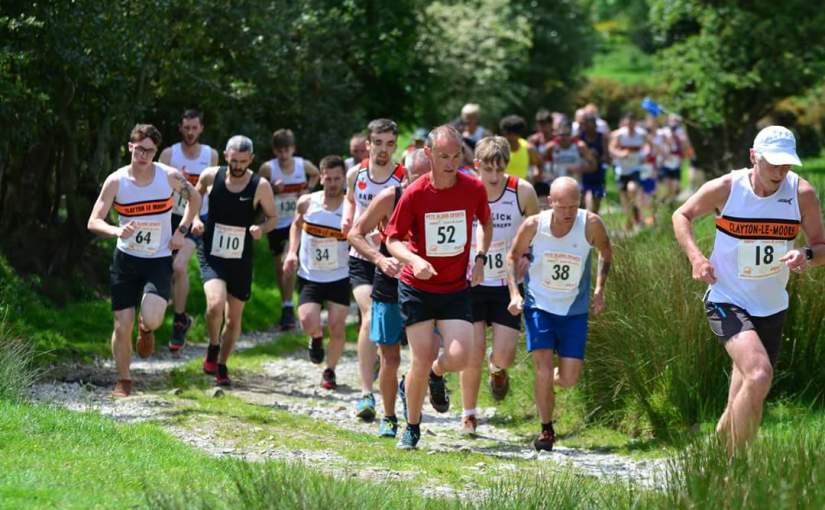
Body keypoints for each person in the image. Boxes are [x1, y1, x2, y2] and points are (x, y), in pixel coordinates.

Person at [672, 126, 825, 455]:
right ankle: (723, 460)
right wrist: (696, 258)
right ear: (754, 157)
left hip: (772, 306)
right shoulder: (728, 188)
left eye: (787, 163)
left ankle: (722, 464)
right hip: (726, 299)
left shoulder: (802, 194)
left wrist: (806, 255)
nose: (780, 171)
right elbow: (681, 215)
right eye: (773, 163)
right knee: (759, 375)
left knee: (749, 393)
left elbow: (821, 247)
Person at [384, 124, 493, 449]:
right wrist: (414, 260)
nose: (450, 163)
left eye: (456, 156)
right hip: (417, 286)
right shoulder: (415, 193)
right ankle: (412, 426)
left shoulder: (473, 188)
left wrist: (480, 257)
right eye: (444, 156)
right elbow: (392, 239)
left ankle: (436, 373)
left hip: (455, 287)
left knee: (461, 356)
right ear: (428, 154)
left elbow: (485, 223)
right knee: (421, 355)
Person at [87, 124, 201, 397]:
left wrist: (181, 230)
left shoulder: (169, 176)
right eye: (139, 149)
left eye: (149, 151)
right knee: (121, 324)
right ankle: (124, 380)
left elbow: (195, 198)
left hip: (157, 260)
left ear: (156, 151)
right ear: (130, 147)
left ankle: (146, 328)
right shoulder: (116, 181)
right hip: (125, 260)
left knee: (152, 318)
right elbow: (93, 221)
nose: (143, 156)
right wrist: (115, 231)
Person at [506, 176, 611, 451]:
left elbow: (605, 252)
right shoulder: (534, 225)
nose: (568, 213)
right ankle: (546, 429)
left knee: (568, 379)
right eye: (562, 207)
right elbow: (512, 256)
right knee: (541, 369)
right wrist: (515, 294)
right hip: (539, 305)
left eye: (573, 206)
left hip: (574, 310)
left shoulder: (591, 224)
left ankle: (549, 383)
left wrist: (599, 289)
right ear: (550, 202)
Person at [348, 148, 431, 438]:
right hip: (389, 284)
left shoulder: (442, 199)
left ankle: (411, 388)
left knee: (424, 356)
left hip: (426, 286)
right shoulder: (390, 197)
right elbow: (355, 233)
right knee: (390, 358)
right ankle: (389, 416)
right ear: (405, 174)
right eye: (416, 176)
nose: (423, 181)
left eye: (428, 175)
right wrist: (379, 259)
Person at [459, 136, 539, 435]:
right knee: (473, 351)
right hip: (472, 281)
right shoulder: (464, 190)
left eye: (500, 169)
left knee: (505, 355)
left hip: (508, 283)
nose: (494, 177)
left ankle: (497, 370)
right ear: (476, 165)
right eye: (487, 169)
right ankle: (468, 415)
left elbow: (537, 229)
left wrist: (527, 255)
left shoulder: (522, 191)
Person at [193, 136, 278, 386]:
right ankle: (213, 345)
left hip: (241, 257)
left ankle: (222, 363)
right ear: (225, 156)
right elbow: (194, 198)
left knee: (233, 319)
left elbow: (273, 218)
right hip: (212, 252)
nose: (238, 166)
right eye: (233, 160)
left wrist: (261, 229)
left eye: (243, 161)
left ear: (251, 159)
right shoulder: (211, 176)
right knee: (214, 305)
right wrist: (195, 219)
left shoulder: (260, 186)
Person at [341, 118, 407, 422]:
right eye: (378, 143)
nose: (383, 150)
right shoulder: (356, 173)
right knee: (368, 315)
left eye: (389, 144)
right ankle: (366, 394)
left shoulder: (403, 177)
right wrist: (347, 220)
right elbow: (350, 201)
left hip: (391, 260)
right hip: (361, 257)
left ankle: (387, 374)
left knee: (383, 325)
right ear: (367, 144)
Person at [283, 156, 351, 390]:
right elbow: (296, 225)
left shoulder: (350, 207)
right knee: (307, 321)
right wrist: (291, 253)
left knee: (337, 325)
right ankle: (316, 337)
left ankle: (330, 371)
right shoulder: (307, 202)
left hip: (339, 275)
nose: (332, 184)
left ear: (344, 179)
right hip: (310, 275)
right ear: (321, 177)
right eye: (328, 179)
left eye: (337, 179)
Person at [158, 109, 218, 353]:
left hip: (197, 219)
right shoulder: (168, 154)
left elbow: (211, 190)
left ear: (201, 128)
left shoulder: (210, 155)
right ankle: (160, 315)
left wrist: (201, 217)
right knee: (166, 268)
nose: (190, 132)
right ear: (180, 128)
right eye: (187, 128)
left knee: (180, 265)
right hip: (170, 216)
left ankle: (179, 321)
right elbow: (158, 186)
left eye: (195, 128)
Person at [258, 129, 320, 332]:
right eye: (280, 150)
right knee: (279, 266)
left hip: (296, 222)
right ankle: (286, 304)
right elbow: (256, 187)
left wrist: (308, 189)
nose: (284, 155)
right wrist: (271, 188)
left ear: (293, 149)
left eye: (287, 150)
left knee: (288, 260)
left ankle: (290, 307)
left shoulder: (303, 165)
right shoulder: (268, 168)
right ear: (275, 150)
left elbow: (317, 174)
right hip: (276, 222)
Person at [609, 112, 649, 231]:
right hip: (622, 170)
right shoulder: (620, 134)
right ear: (625, 121)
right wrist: (620, 154)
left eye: (632, 121)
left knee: (632, 188)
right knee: (624, 199)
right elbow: (611, 148)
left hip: (635, 168)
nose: (630, 123)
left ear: (635, 122)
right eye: (628, 121)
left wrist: (645, 154)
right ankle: (629, 220)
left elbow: (649, 145)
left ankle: (638, 213)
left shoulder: (641, 134)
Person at [540, 118, 595, 185]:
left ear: (571, 134)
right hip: (557, 185)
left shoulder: (580, 146)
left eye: (566, 134)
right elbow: (540, 163)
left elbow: (593, 166)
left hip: (575, 184)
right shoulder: (551, 147)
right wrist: (548, 174)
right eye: (561, 135)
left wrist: (577, 169)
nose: (563, 138)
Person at [659, 114, 695, 205]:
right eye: (671, 120)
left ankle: (671, 202)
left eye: (675, 120)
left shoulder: (680, 131)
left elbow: (685, 144)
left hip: (676, 162)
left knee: (675, 186)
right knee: (667, 185)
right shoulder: (663, 131)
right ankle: (665, 202)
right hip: (666, 161)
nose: (673, 122)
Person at [578, 114, 610, 213]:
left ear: (595, 126)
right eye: (587, 125)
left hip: (598, 172)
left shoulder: (602, 137)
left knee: (596, 203)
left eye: (592, 125)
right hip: (584, 173)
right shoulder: (580, 137)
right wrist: (587, 154)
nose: (589, 128)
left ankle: (594, 217)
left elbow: (606, 156)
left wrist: (596, 157)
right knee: (582, 200)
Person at [499, 115, 541, 182]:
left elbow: (539, 163)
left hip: (522, 186)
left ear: (519, 133)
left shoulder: (528, 148)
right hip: (502, 185)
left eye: (515, 133)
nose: (512, 137)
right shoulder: (499, 149)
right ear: (504, 133)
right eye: (509, 134)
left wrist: (537, 175)